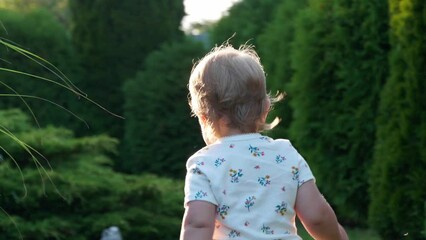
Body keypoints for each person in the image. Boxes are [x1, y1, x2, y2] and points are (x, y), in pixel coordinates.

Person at [180, 44, 348, 240]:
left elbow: (198, 224)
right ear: (266, 108)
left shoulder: (204, 164)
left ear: (203, 118)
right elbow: (317, 216)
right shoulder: (285, 153)